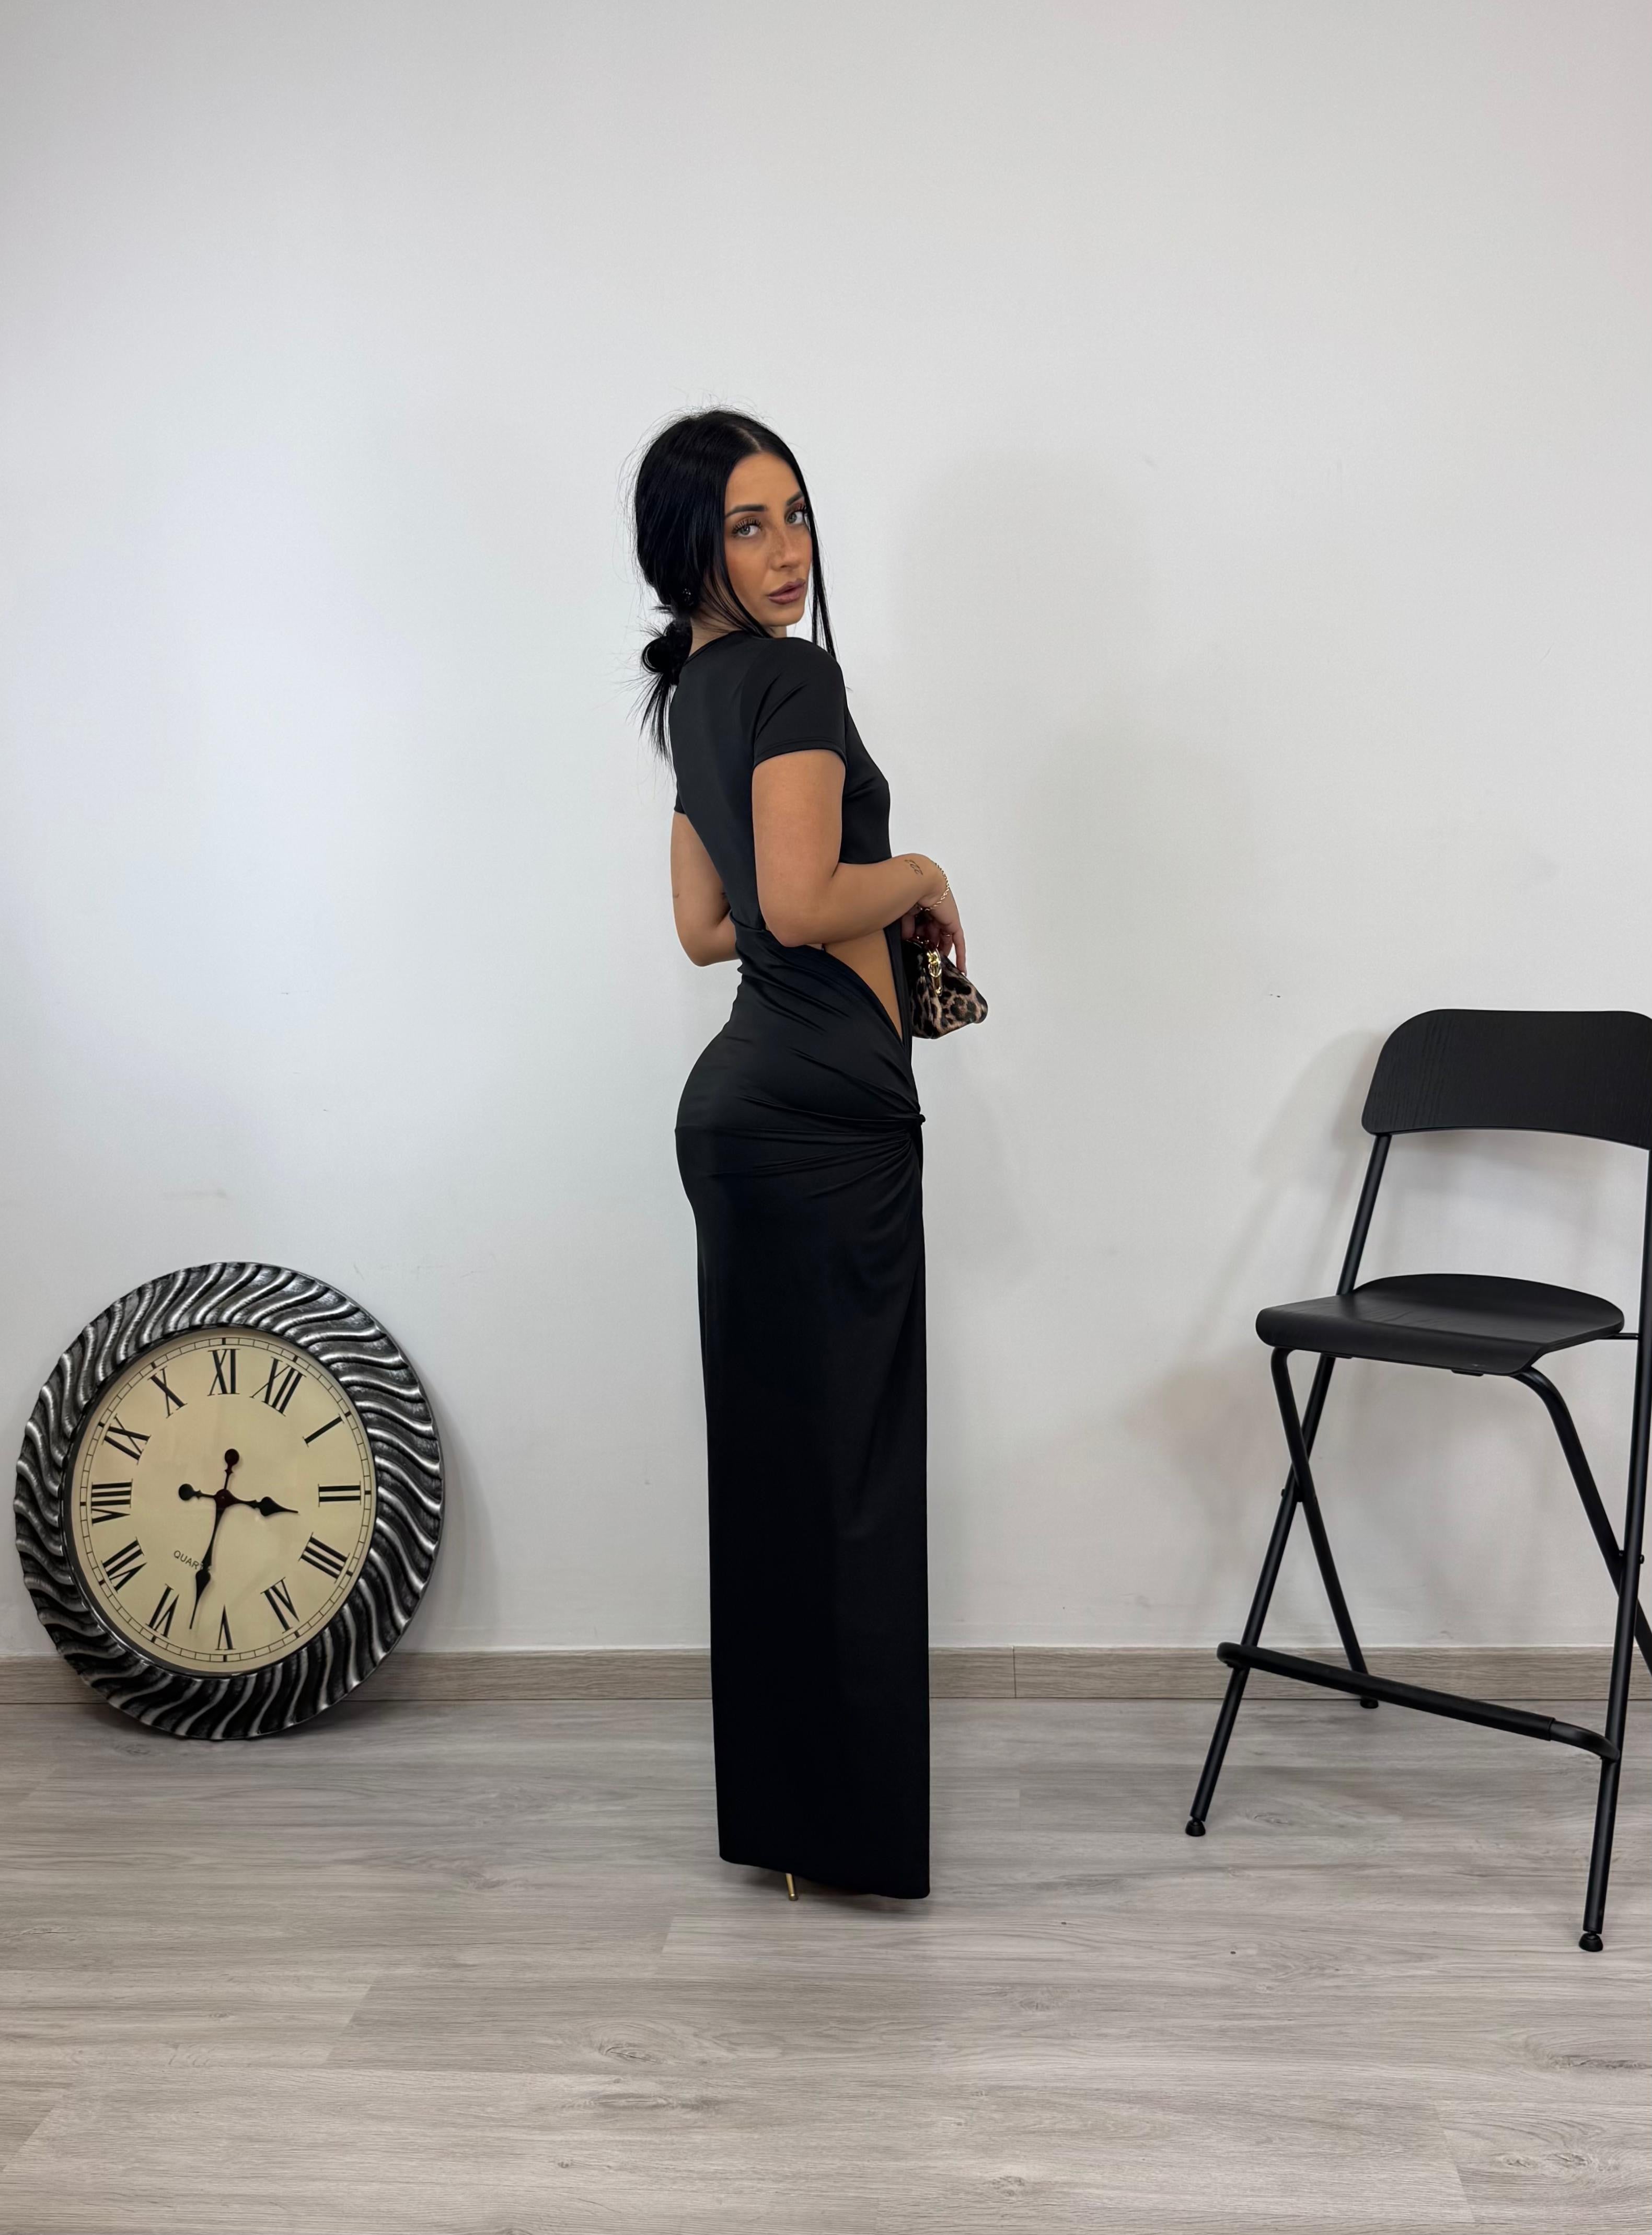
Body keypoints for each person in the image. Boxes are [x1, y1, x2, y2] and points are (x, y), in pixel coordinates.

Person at [631, 409, 965, 1900]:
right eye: (746, 526)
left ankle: (787, 1830)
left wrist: (844, 885)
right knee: (855, 1479)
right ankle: (842, 1840)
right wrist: (922, 871)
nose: (786, 553)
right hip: (827, 1117)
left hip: (742, 1113)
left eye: (796, 516)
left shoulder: (693, 695)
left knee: (774, 1481)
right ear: (688, 549)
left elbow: (706, 927)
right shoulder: (793, 678)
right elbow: (797, 901)